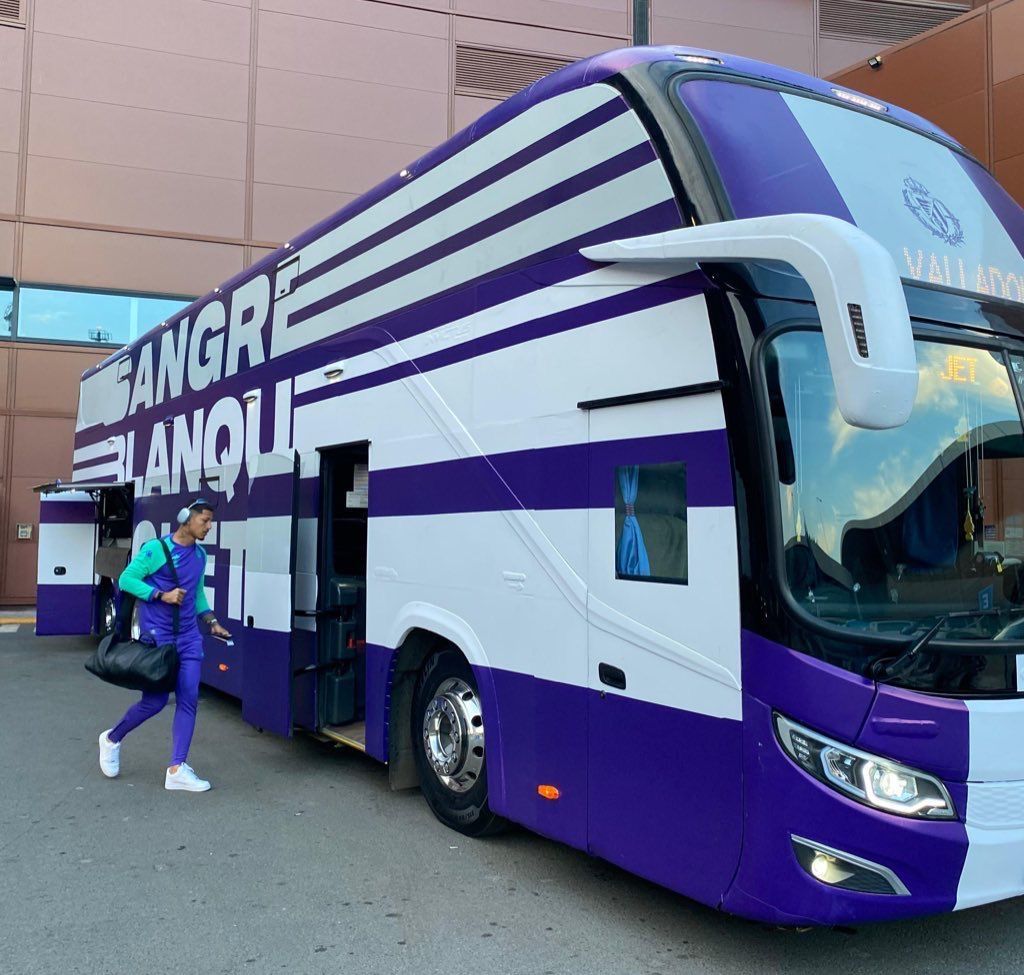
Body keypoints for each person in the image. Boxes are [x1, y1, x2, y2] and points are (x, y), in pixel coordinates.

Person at [97, 499, 231, 792]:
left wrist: (211, 622)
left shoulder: (199, 554)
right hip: (159, 640)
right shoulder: (156, 550)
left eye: (211, 522)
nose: (209, 527)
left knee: (188, 698)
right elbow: (128, 579)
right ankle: (111, 739)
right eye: (205, 521)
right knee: (155, 702)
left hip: (189, 638)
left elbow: (197, 594)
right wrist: (161, 595)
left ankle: (177, 768)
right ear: (186, 519)